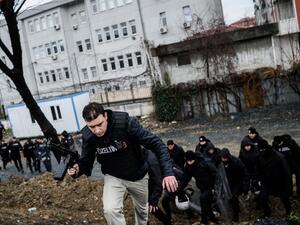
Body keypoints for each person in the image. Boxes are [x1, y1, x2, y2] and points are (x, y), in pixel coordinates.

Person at [67, 102, 177, 225]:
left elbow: (157, 144)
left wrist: (168, 173)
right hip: (113, 176)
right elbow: (86, 161)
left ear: (105, 116)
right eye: (92, 127)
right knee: (110, 210)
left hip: (138, 175)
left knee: (142, 212)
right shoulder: (89, 136)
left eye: (100, 124)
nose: (97, 130)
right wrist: (77, 169)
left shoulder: (125, 123)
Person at [180, 150, 218, 225]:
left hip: (210, 185)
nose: (189, 162)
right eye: (187, 161)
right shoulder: (188, 166)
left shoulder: (203, 163)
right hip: (201, 186)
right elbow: (186, 178)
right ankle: (212, 217)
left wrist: (214, 187)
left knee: (203, 199)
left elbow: (214, 173)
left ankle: (204, 220)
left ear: (194, 159)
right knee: (207, 203)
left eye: (190, 160)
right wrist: (180, 188)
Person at [257, 140, 292, 217]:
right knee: (262, 197)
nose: (261, 151)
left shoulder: (279, 157)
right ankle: (267, 213)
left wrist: (288, 187)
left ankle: (289, 212)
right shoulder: (260, 155)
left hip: (279, 181)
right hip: (266, 181)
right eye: (260, 150)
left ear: (266, 148)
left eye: (262, 150)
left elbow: (287, 173)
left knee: (284, 198)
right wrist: (259, 179)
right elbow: (259, 169)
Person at [146, 149, 172, 225]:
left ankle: (167, 222)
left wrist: (153, 200)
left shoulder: (151, 160)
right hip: (142, 187)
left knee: (152, 208)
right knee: (142, 209)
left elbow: (158, 181)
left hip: (150, 187)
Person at [219, 148, 247, 222]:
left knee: (234, 198)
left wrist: (245, 185)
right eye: (222, 158)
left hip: (236, 182)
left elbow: (244, 173)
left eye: (225, 158)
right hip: (226, 183)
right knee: (228, 199)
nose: (223, 160)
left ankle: (236, 215)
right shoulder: (220, 162)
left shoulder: (236, 162)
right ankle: (234, 209)